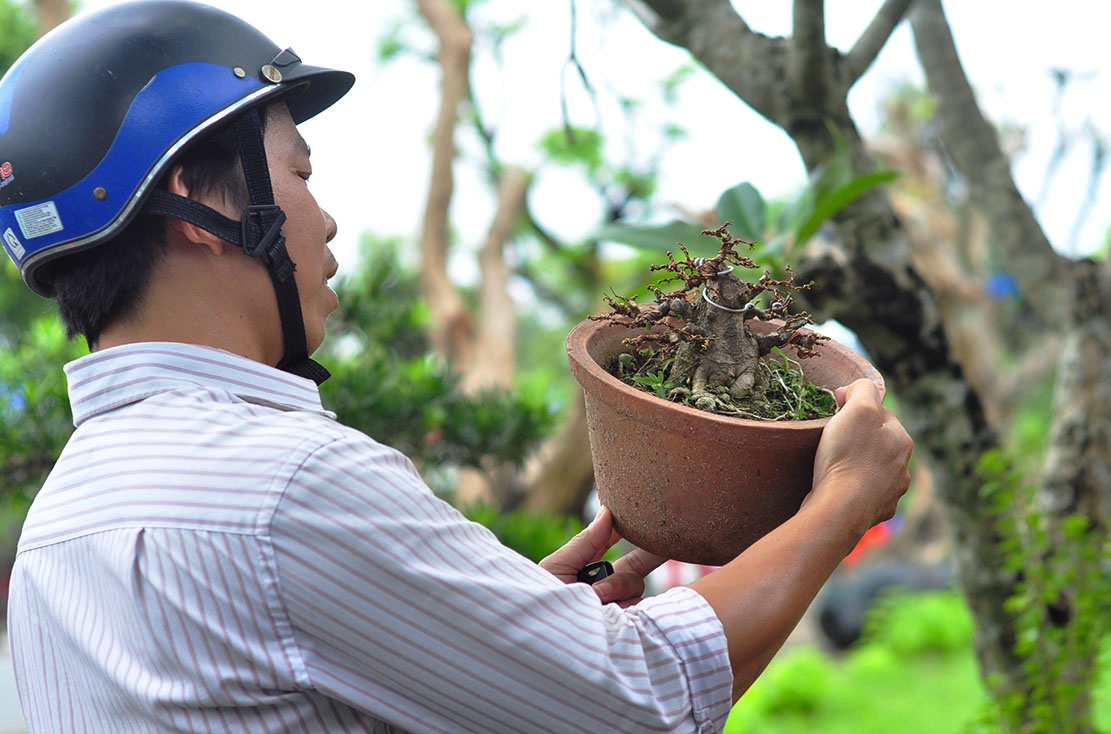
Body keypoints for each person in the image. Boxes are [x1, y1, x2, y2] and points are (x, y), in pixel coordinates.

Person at [0, 2, 913, 732]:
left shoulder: (57, 525)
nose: (326, 222)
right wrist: (839, 503)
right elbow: (646, 699)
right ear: (197, 205)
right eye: (302, 175)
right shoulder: (286, 487)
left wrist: (495, 630)